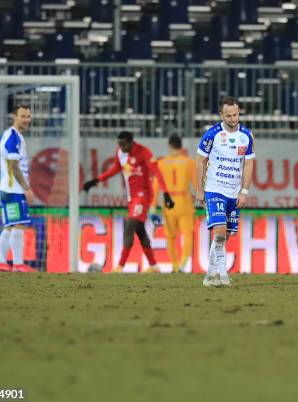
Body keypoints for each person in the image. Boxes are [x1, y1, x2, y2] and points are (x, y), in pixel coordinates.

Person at [83, 131, 174, 273]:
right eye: (119, 144)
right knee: (140, 230)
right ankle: (154, 266)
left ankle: (120, 266)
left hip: (143, 196)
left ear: (131, 142)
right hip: (132, 198)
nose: (121, 147)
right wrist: (95, 181)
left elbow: (156, 171)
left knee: (130, 223)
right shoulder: (120, 153)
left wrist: (166, 193)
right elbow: (115, 169)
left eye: (123, 144)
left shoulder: (144, 152)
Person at [196, 96, 255, 287]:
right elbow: (200, 161)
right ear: (221, 115)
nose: (232, 119)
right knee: (219, 233)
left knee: (227, 235)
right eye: (228, 115)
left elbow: (248, 164)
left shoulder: (246, 135)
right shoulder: (212, 134)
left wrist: (244, 191)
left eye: (235, 114)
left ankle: (209, 276)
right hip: (214, 189)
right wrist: (199, 189)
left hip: (234, 192)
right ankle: (223, 276)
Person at [0, 104, 37, 272]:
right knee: (19, 225)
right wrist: (27, 188)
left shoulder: (15, 135)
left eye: (28, 116)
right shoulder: (13, 137)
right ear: (14, 116)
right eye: (23, 116)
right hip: (14, 190)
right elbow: (14, 166)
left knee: (10, 226)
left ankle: (0, 261)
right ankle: (18, 264)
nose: (26, 120)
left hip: (8, 189)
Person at [152, 135, 197, 273]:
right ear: (181, 146)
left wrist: (153, 206)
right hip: (184, 203)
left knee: (170, 237)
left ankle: (175, 265)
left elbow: (156, 186)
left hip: (168, 203)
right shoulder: (189, 162)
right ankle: (183, 264)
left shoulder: (161, 163)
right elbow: (196, 184)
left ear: (170, 146)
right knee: (188, 235)